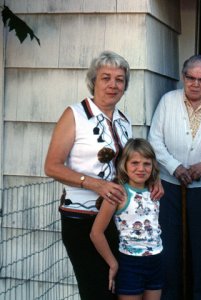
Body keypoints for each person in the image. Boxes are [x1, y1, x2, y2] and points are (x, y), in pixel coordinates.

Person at [44, 51, 163, 300]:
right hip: (81, 218)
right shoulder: (74, 115)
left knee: (116, 290)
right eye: (106, 77)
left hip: (114, 220)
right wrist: (94, 184)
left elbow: (131, 164)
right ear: (94, 81)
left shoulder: (123, 120)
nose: (113, 84)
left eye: (119, 80)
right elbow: (52, 166)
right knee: (96, 290)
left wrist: (155, 179)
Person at [148, 54, 201, 300]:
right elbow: (155, 140)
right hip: (169, 186)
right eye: (190, 78)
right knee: (170, 248)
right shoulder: (168, 101)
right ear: (183, 77)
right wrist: (174, 166)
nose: (195, 84)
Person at [91, 138, 163, 300]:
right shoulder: (118, 194)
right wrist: (113, 263)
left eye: (147, 164)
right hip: (130, 264)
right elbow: (96, 233)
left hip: (156, 261)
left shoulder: (155, 191)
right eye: (135, 163)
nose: (141, 168)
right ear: (124, 165)